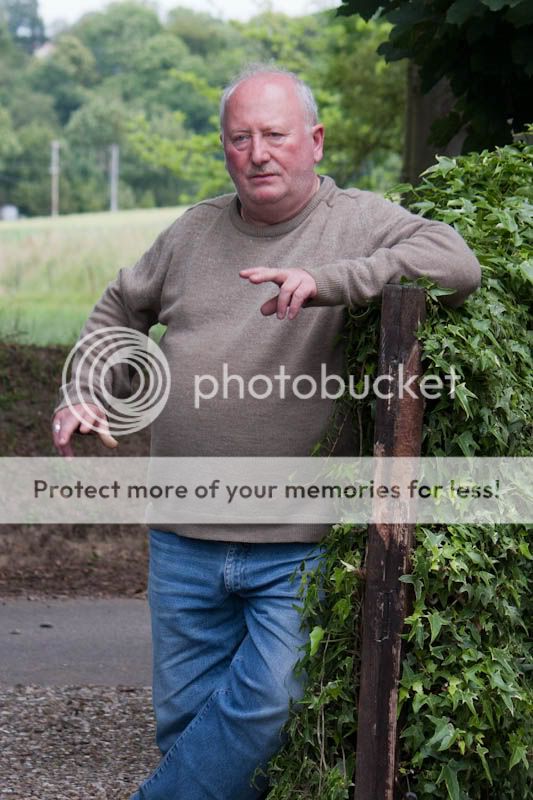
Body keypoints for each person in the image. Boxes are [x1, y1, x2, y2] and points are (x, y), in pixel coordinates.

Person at [52, 65, 481, 799]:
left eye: (275, 135)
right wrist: (88, 386)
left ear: (313, 141)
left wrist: (332, 279)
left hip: (296, 540)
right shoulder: (192, 231)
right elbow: (120, 309)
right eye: (240, 137)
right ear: (224, 149)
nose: (258, 153)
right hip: (183, 534)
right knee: (188, 723)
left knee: (267, 706)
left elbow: (456, 263)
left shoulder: (361, 220)